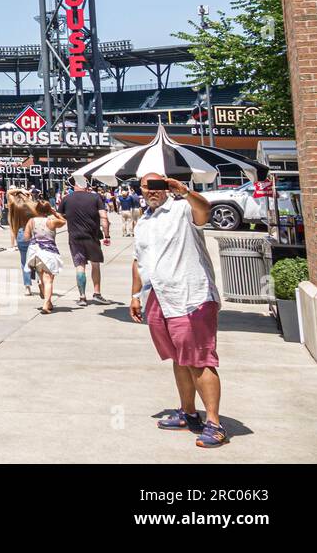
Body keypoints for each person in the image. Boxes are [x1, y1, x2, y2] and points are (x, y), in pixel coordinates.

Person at [130, 174, 227, 448]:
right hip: (160, 297)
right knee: (178, 358)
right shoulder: (144, 222)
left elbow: (205, 212)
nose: (153, 191)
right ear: (141, 189)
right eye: (148, 186)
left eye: (158, 185)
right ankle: (188, 412)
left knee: (200, 359)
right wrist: (136, 295)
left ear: (168, 186)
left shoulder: (183, 208)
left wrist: (185, 192)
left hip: (191, 297)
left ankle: (214, 423)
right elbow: (139, 261)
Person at [61, 180, 110, 305]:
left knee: (79, 266)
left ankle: (82, 297)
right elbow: (104, 218)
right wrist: (107, 235)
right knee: (95, 265)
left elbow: (58, 218)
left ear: (75, 186)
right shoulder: (95, 197)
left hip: (74, 237)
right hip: (92, 237)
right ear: (86, 186)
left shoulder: (66, 199)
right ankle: (97, 293)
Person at [24, 200, 67, 313]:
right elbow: (64, 221)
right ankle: (45, 305)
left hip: (36, 252)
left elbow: (26, 237)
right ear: (48, 210)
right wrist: (54, 212)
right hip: (49, 252)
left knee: (43, 277)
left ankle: (48, 301)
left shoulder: (31, 221)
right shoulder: (52, 221)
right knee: (49, 280)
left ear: (36, 210)